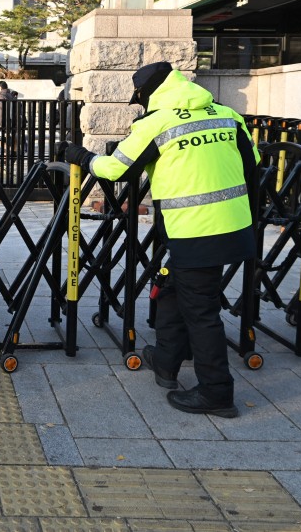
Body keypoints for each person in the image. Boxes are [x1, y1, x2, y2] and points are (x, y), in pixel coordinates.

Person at [60, 61, 259, 419]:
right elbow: (252, 162)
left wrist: (83, 157)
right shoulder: (227, 114)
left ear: (148, 94)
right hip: (235, 226)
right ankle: (166, 361)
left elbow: (117, 168)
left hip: (195, 230)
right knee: (172, 289)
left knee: (201, 311)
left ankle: (217, 392)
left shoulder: (157, 123)